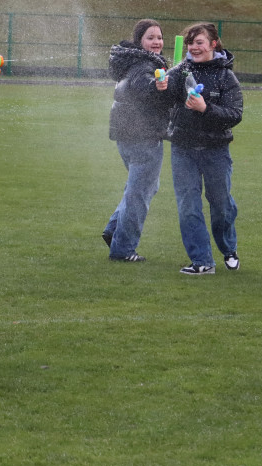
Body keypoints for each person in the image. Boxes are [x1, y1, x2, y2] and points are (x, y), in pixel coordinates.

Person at [165, 22, 243, 275]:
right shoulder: (180, 72)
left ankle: (228, 248)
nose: (193, 47)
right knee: (188, 205)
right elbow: (162, 101)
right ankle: (202, 260)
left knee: (220, 204)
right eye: (190, 43)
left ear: (213, 44)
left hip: (215, 150)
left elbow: (234, 114)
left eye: (199, 42)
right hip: (183, 148)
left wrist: (205, 108)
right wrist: (159, 88)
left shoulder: (225, 76)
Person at [102, 19, 172, 262]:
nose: (157, 42)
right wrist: (160, 88)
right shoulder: (144, 66)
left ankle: (114, 230)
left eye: (160, 37)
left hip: (127, 136)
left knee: (143, 188)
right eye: (151, 37)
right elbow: (143, 89)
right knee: (140, 194)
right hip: (143, 137)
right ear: (139, 41)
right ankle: (123, 249)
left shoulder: (134, 62)